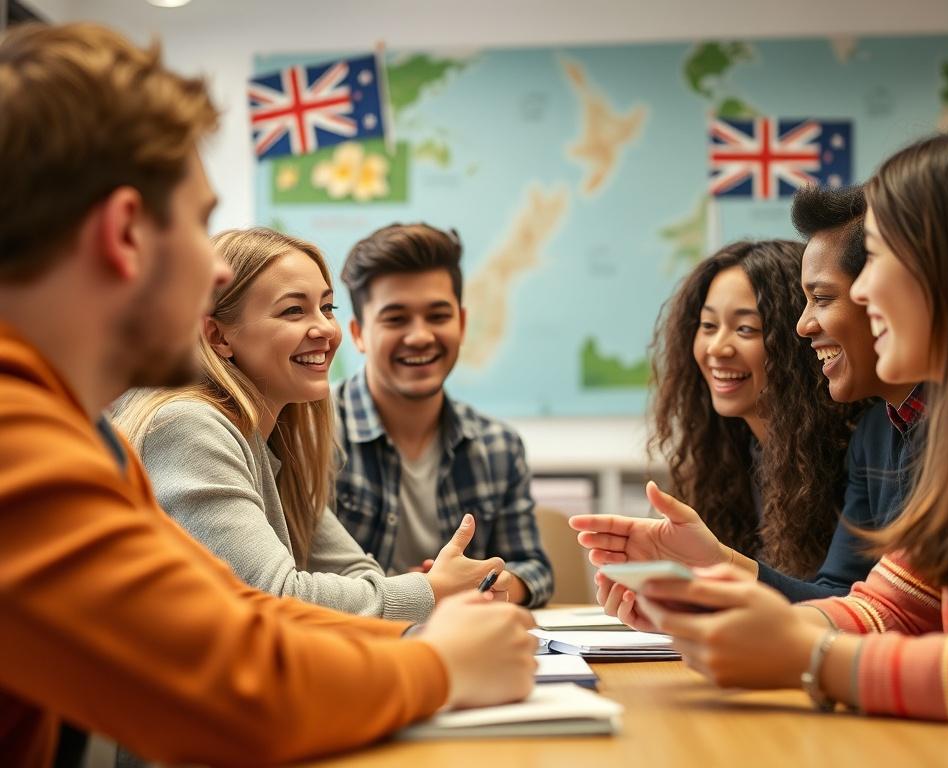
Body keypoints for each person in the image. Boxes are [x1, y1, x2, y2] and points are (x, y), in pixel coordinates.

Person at [0, 23, 535, 767]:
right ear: (126, 232)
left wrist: (430, 634)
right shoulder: (17, 439)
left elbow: (230, 618)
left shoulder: (67, 428)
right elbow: (237, 686)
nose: (215, 272)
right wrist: (441, 665)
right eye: (199, 222)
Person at [635, 120, 948, 735]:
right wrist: (718, 610)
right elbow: (892, 602)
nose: (864, 290)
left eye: (882, 258)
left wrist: (806, 654)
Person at [113, 227, 506, 623]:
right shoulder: (186, 426)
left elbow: (356, 572)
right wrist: (431, 591)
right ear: (218, 336)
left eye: (328, 308)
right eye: (293, 311)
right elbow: (273, 598)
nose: (326, 330)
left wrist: (419, 594)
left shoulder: (277, 439)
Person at [572, 186, 925, 612]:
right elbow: (867, 608)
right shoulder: (873, 430)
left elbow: (874, 609)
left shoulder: (863, 437)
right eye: (706, 326)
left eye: (745, 329)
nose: (718, 348)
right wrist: (692, 597)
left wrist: (716, 575)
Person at [334, 223, 554, 607]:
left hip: (467, 644)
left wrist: (492, 584)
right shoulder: (312, 434)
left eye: (438, 316)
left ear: (462, 323)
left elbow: (533, 567)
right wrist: (416, 593)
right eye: (396, 319)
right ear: (358, 333)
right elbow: (294, 576)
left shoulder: (498, 446)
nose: (420, 336)